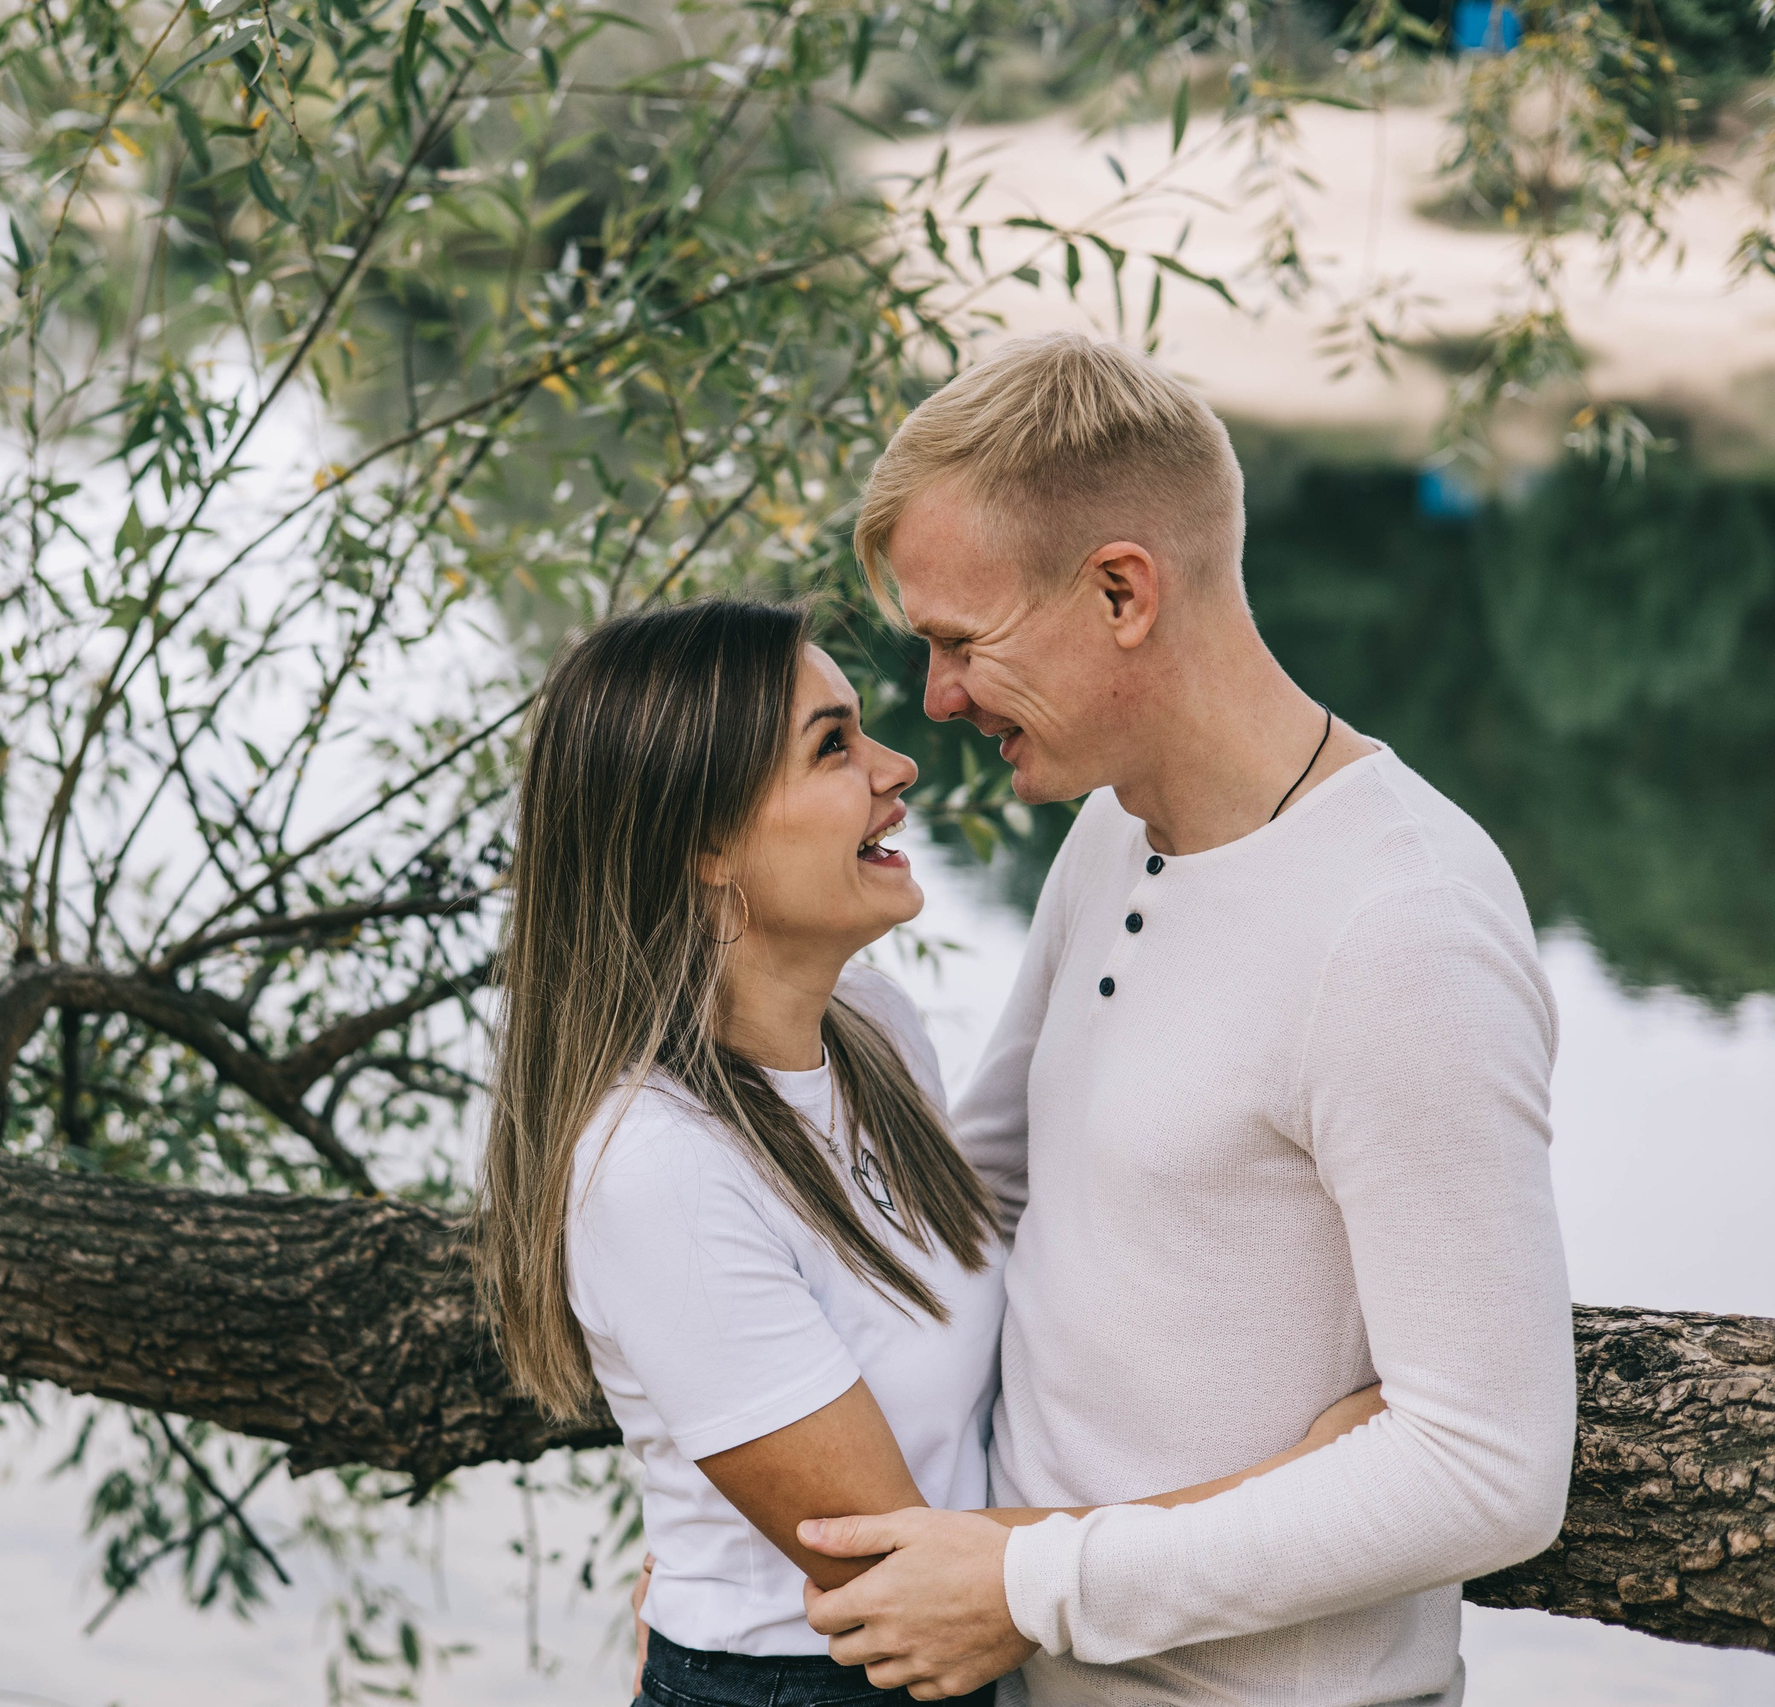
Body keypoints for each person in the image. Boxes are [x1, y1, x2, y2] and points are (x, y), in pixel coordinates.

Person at [794, 333, 1577, 1704]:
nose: (938, 699)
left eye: (960, 640)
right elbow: (976, 1190)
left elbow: (1492, 1464)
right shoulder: (1112, 828)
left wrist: (1035, 1580)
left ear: (1120, 590)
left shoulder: (1403, 927)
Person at [474, 599, 1389, 1707]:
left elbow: (1041, 1213)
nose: (897, 765)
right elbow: (901, 1571)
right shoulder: (655, 1169)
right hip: (796, 1685)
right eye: (833, 746)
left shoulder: (874, 1034)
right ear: (703, 846)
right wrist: (1304, 1486)